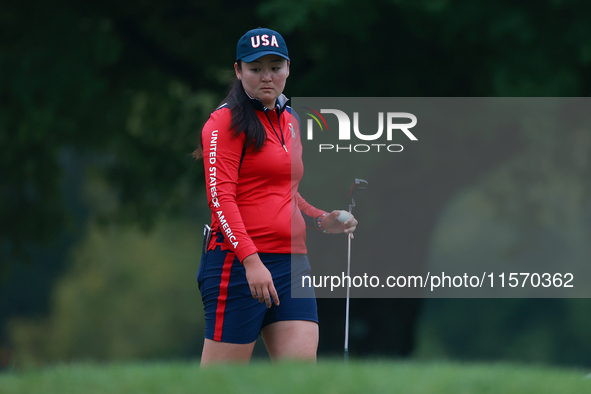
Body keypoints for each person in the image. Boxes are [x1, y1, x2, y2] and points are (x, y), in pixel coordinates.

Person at [194, 27, 358, 365]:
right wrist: (251, 261)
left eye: (275, 67)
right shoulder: (223, 123)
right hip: (237, 267)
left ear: (287, 68)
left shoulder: (292, 120)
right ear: (239, 71)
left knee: (299, 381)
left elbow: (286, 193)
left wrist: (321, 219)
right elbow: (220, 199)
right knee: (219, 385)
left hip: (292, 263)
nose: (267, 77)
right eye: (255, 69)